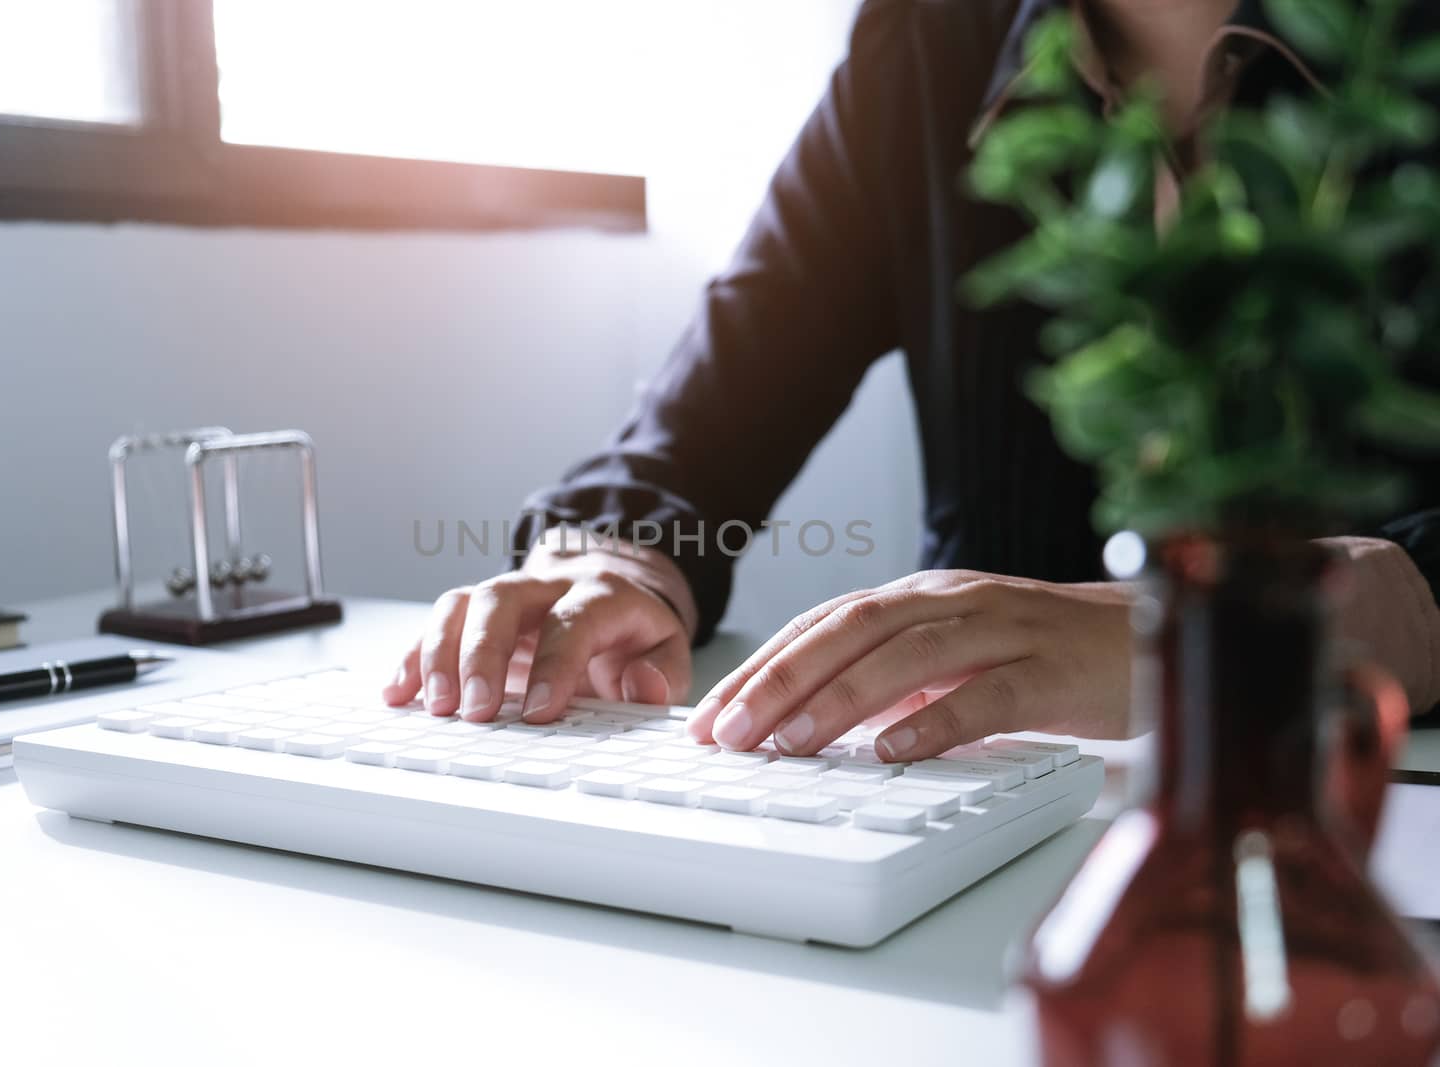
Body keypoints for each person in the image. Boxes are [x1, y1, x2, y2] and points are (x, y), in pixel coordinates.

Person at [385, 0, 1440, 761]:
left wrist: (1199, 638)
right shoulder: (928, 41)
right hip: (977, 807)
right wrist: (612, 562)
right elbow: (700, 430)